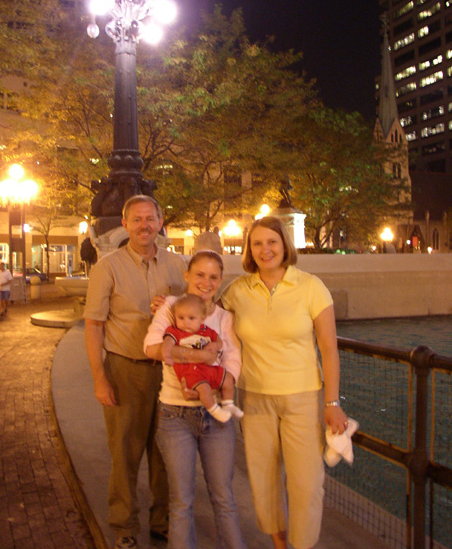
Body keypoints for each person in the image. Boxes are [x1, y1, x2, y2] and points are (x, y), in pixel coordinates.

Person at [221, 216, 348, 549]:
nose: (266, 250)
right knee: (263, 481)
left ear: (284, 245)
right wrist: (168, 307)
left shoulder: (310, 286)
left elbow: (329, 349)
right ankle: (279, 544)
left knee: (307, 484)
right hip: (255, 397)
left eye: (272, 242)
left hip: (302, 397)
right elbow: (203, 315)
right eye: (258, 243)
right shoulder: (238, 290)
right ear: (249, 249)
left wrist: (332, 404)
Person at [84, 195, 187, 549]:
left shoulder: (179, 266)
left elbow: (200, 314)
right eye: (137, 219)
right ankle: (125, 527)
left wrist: (174, 306)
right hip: (125, 369)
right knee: (125, 452)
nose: (144, 225)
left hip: (170, 372)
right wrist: (100, 377)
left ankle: (163, 523)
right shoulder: (108, 268)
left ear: (161, 222)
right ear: (125, 225)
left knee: (166, 452)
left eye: (150, 218)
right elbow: (94, 325)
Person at [144, 250, 247, 549]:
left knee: (223, 497)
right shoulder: (171, 307)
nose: (206, 282)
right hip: (175, 415)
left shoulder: (224, 318)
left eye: (213, 277)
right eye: (199, 274)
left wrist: (219, 380)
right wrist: (201, 356)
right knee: (181, 502)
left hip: (216, 418)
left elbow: (233, 360)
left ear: (220, 280)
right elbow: (151, 346)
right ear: (187, 275)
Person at [162, 293, 243, 423]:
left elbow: (219, 340)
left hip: (210, 369)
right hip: (191, 372)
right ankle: (215, 411)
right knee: (204, 389)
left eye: (191, 318)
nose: (185, 322)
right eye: (181, 318)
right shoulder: (175, 331)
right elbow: (167, 343)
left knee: (228, 380)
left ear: (202, 318)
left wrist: (215, 345)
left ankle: (228, 406)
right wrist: (166, 355)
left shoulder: (206, 330)